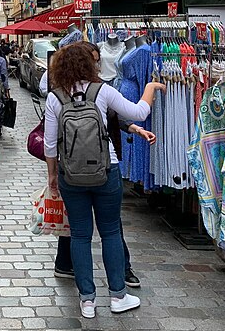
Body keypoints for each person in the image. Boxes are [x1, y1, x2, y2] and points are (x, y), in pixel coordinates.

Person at [45, 43, 164, 319]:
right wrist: (150, 88)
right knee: (110, 232)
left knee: (80, 234)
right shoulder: (103, 91)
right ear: (90, 64)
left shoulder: (55, 98)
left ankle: (87, 300)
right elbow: (138, 113)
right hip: (105, 169)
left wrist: (52, 176)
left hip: (70, 174)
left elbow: (50, 146)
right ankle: (118, 296)